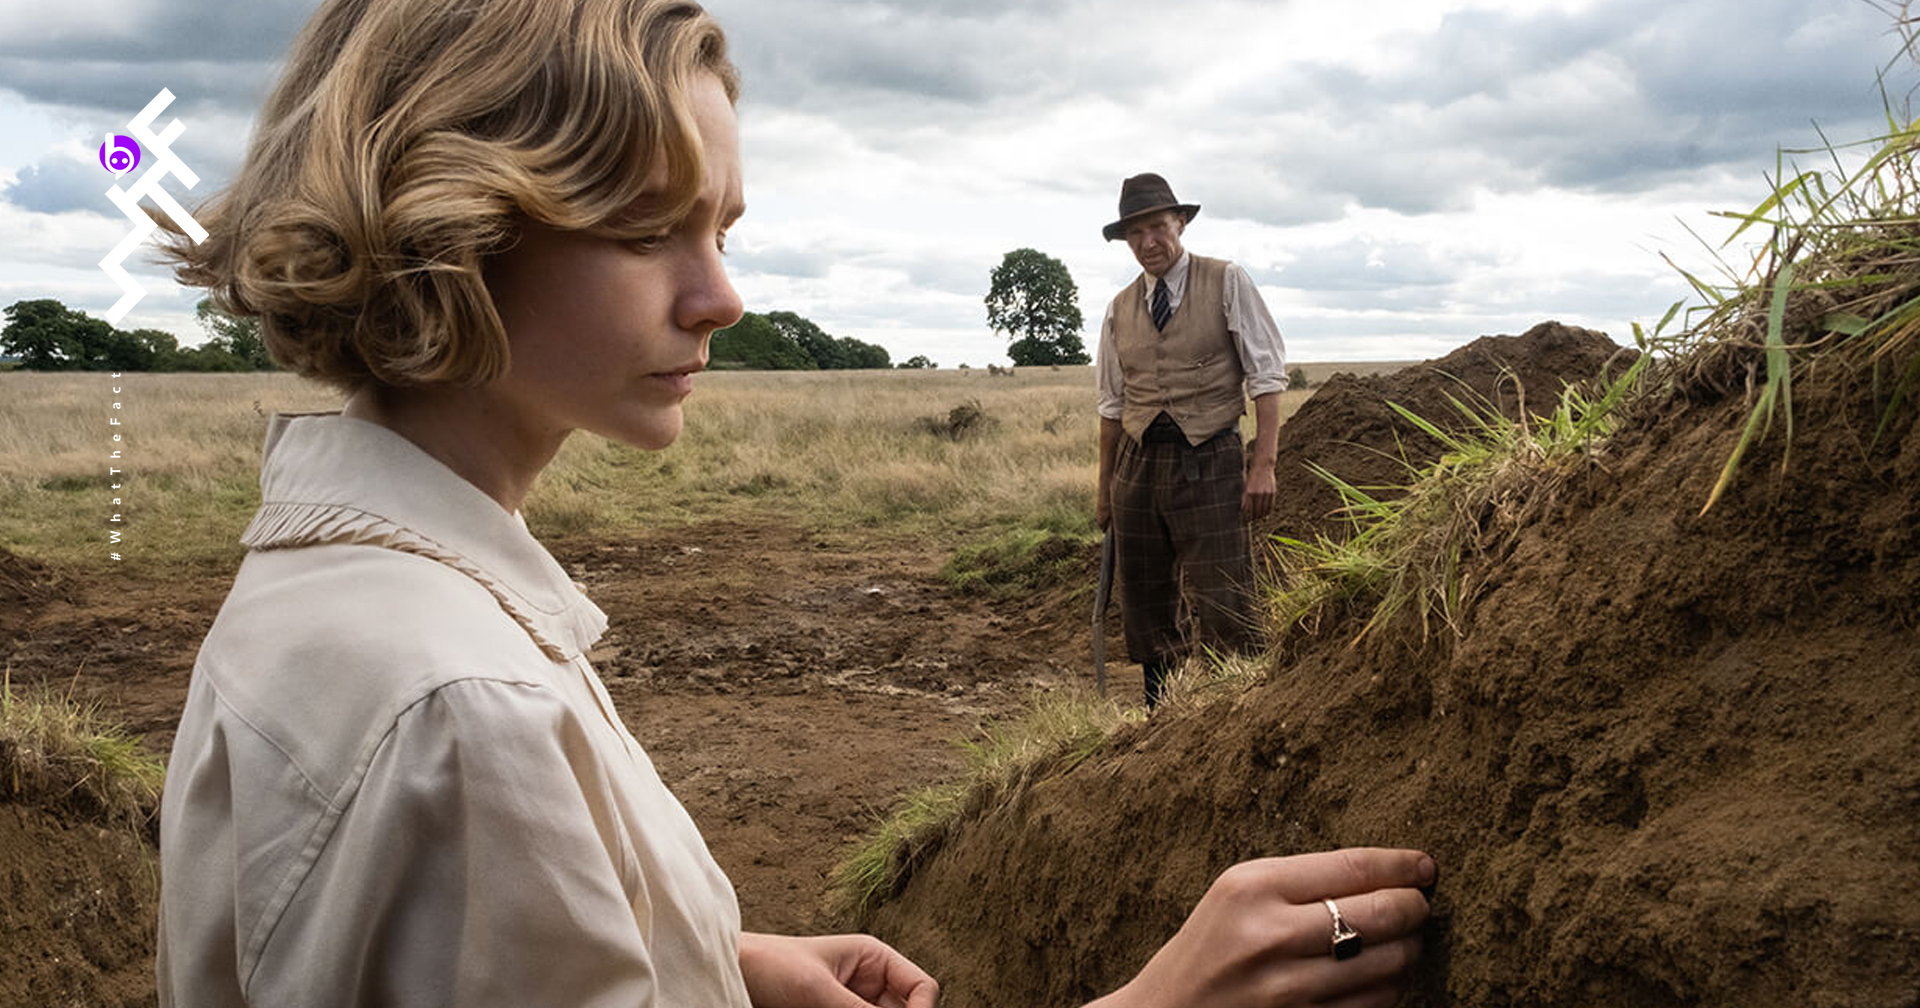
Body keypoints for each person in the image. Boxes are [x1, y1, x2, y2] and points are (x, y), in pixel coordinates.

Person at [152, 1, 1429, 1005]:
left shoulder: (332, 593)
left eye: (724, 230)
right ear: (458, 218)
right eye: (651, 227)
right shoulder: (459, 711)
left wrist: (709, 958)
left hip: (1209, 459)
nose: (723, 298)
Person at [1094, 172, 1288, 709]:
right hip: (1137, 465)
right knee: (1147, 601)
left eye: (1157, 227)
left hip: (1210, 457)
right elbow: (1112, 406)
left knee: (1224, 593)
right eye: (1135, 234)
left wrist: (1263, 464)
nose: (1147, 243)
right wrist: (1106, 489)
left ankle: (1240, 711)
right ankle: (1164, 716)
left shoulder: (1227, 281)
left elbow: (1266, 376)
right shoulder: (1119, 307)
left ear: (1180, 223)